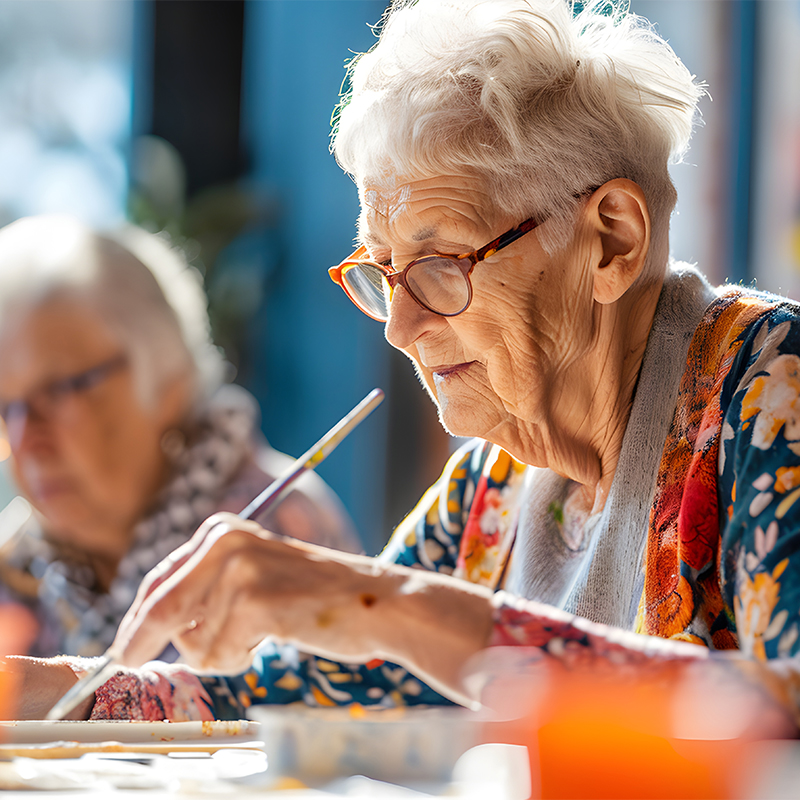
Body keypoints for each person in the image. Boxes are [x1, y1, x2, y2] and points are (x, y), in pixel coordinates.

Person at [12, 0, 800, 732]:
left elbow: (784, 712)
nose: (400, 326)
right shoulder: (492, 487)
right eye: (383, 271)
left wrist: (392, 606)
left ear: (611, 241)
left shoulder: (773, 391)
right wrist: (53, 692)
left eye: (440, 263)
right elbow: (302, 690)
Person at [0, 214, 360, 663]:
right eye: (5, 408)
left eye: (61, 390)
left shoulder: (274, 534)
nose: (26, 441)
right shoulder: (18, 568)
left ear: (166, 377)